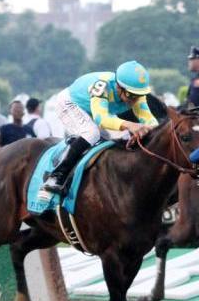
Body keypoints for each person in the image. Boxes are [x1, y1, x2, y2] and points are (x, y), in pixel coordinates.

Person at [37, 61, 157, 207]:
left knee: (114, 142)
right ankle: (55, 177)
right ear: (119, 87)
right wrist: (130, 125)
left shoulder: (136, 93)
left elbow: (150, 121)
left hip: (93, 111)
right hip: (70, 104)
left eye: (139, 95)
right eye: (131, 95)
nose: (135, 100)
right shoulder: (103, 86)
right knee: (91, 133)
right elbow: (102, 119)